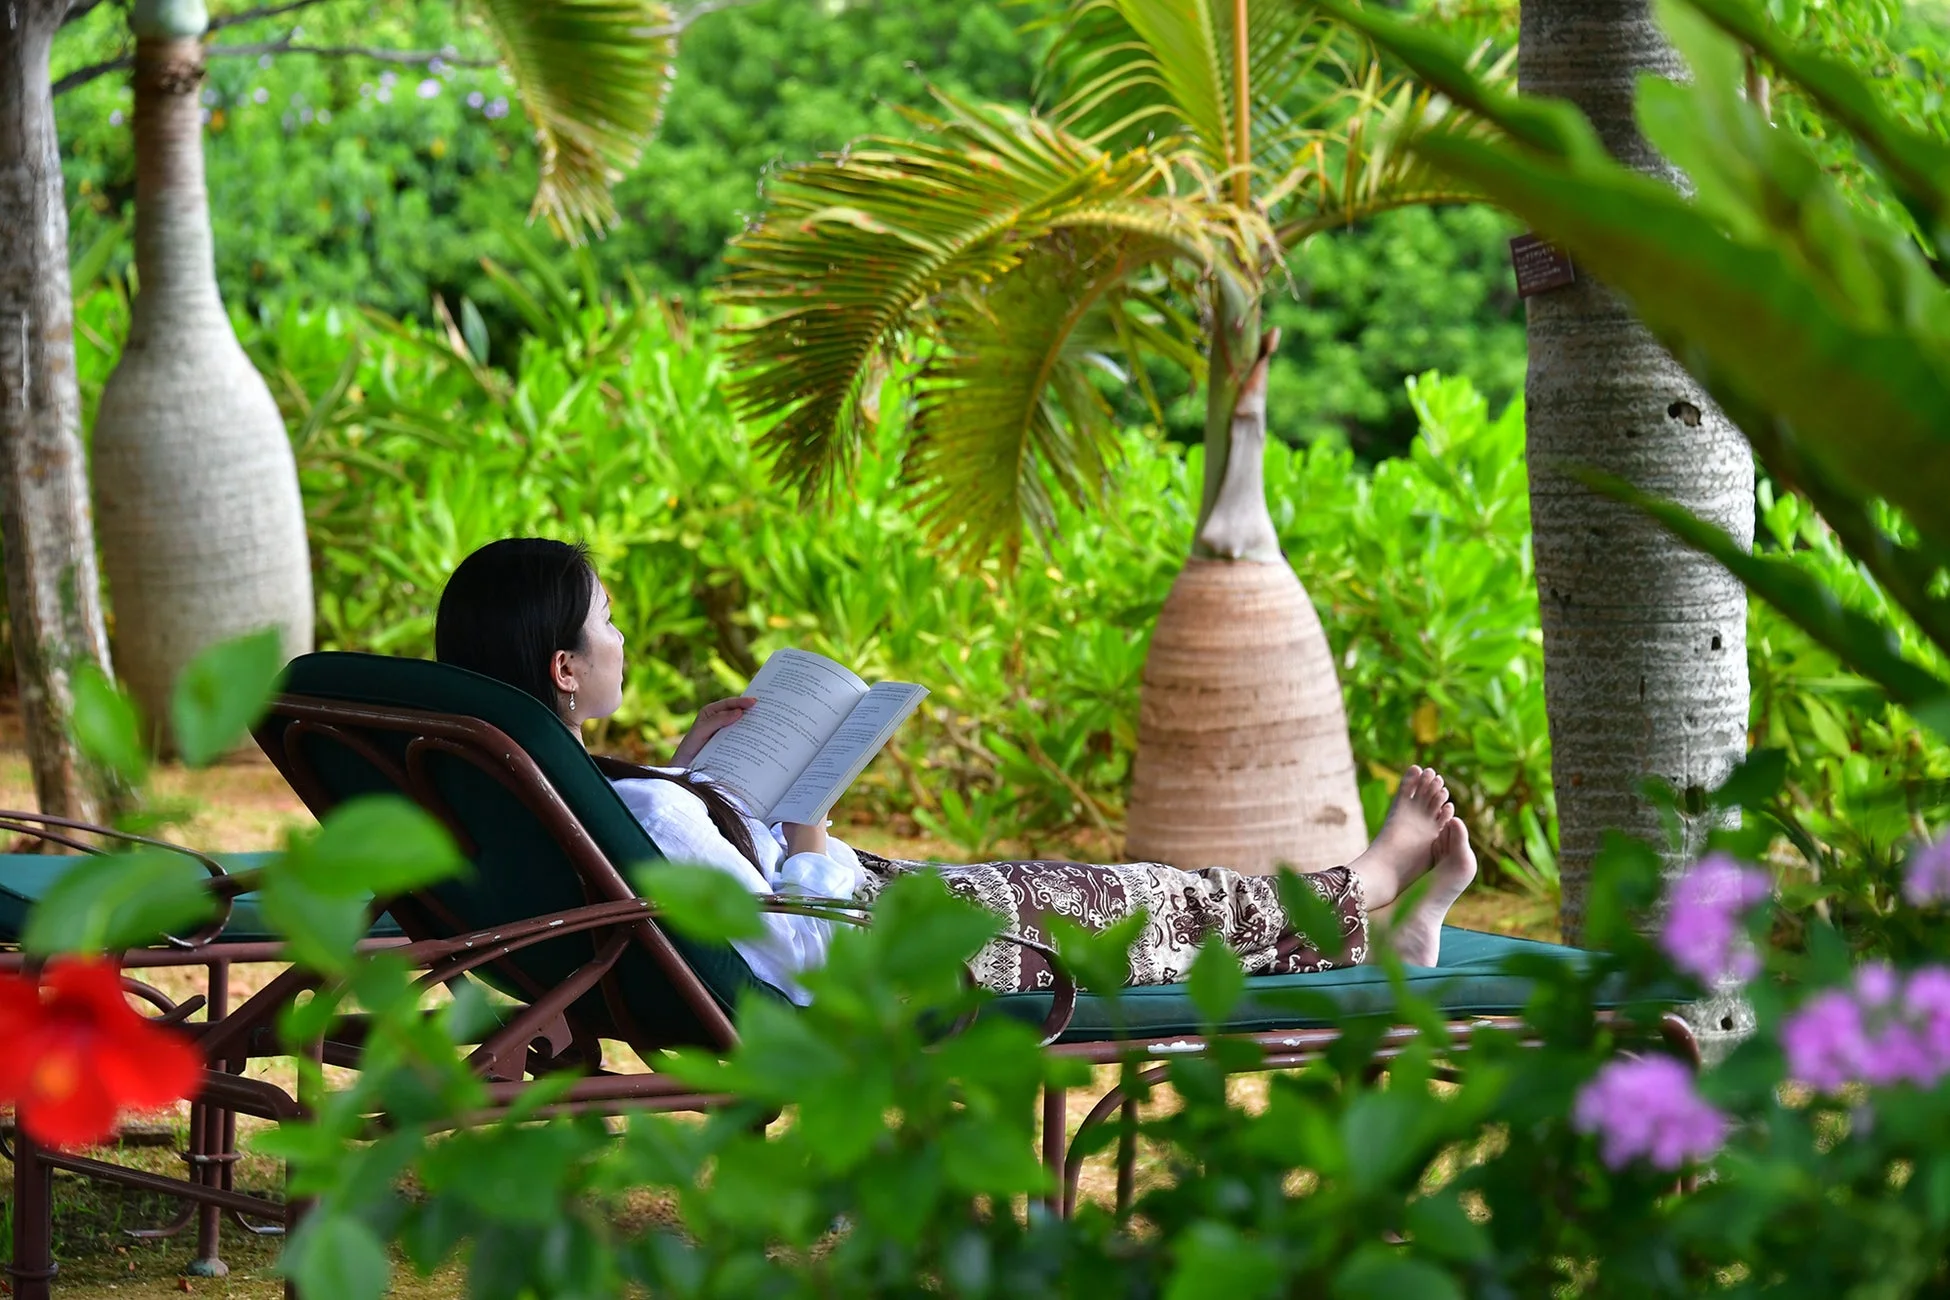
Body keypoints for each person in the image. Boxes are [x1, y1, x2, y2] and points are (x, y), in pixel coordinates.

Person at [434, 538, 1477, 1005]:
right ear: (566, 666)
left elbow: (688, 881)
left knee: (1148, 902)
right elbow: (800, 955)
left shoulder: (534, 784)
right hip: (886, 945)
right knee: (1152, 904)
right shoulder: (644, 815)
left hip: (876, 910)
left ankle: (1388, 927)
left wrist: (694, 771)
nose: (623, 634)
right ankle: (1371, 891)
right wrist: (806, 828)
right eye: (608, 619)